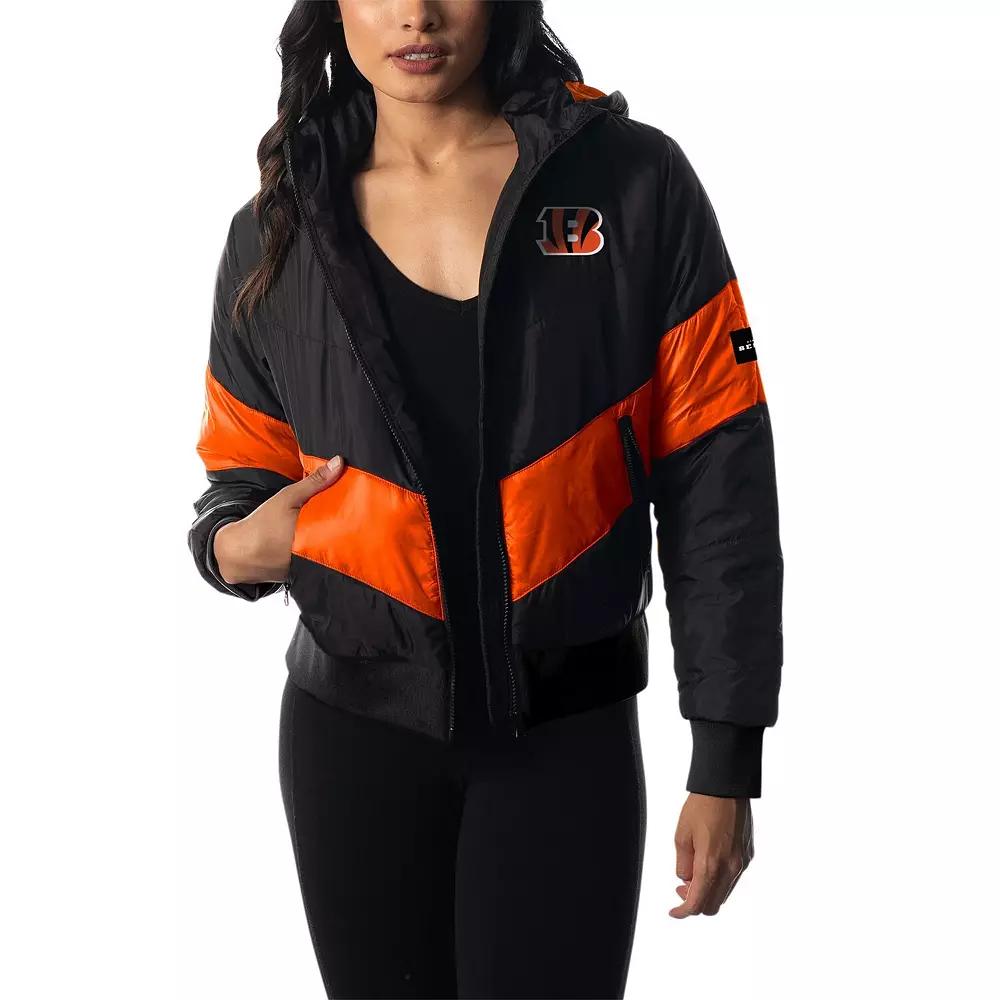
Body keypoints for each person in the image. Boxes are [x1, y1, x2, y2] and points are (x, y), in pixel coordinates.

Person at [187, 2, 783, 997]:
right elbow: (241, 474)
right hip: (351, 745)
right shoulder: (278, 228)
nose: (416, 14)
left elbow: (721, 481)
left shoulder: (632, 184)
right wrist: (229, 548)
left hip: (567, 743)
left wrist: (725, 757)